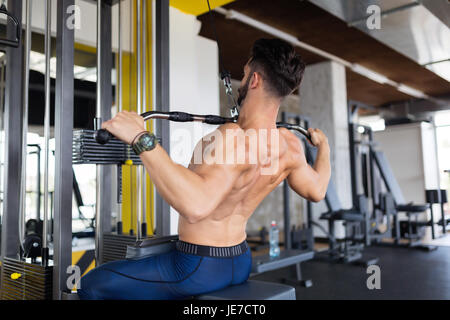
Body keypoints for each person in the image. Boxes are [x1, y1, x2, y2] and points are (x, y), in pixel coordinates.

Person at [78, 38, 331, 300]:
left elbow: (196, 206)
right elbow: (317, 190)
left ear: (254, 80)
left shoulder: (231, 137)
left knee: (92, 284)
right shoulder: (290, 145)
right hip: (240, 261)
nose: (241, 82)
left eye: (243, 76)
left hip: (198, 266)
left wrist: (141, 139)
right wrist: (324, 149)